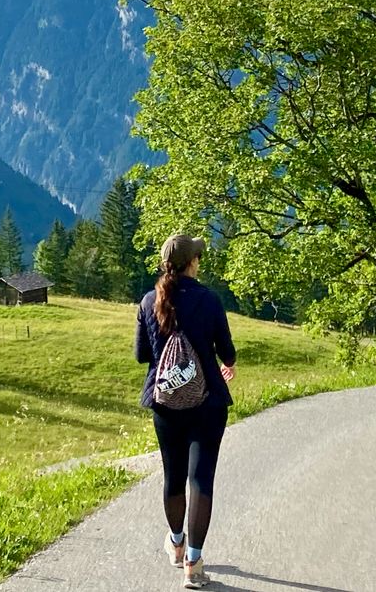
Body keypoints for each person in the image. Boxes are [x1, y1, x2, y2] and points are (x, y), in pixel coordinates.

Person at [136, 233, 235, 589]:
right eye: (197, 257)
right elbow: (226, 350)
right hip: (207, 402)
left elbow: (141, 355)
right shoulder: (209, 300)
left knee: (173, 477)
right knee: (201, 479)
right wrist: (228, 363)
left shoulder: (149, 302)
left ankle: (176, 544)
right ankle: (194, 563)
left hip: (166, 404)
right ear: (192, 263)